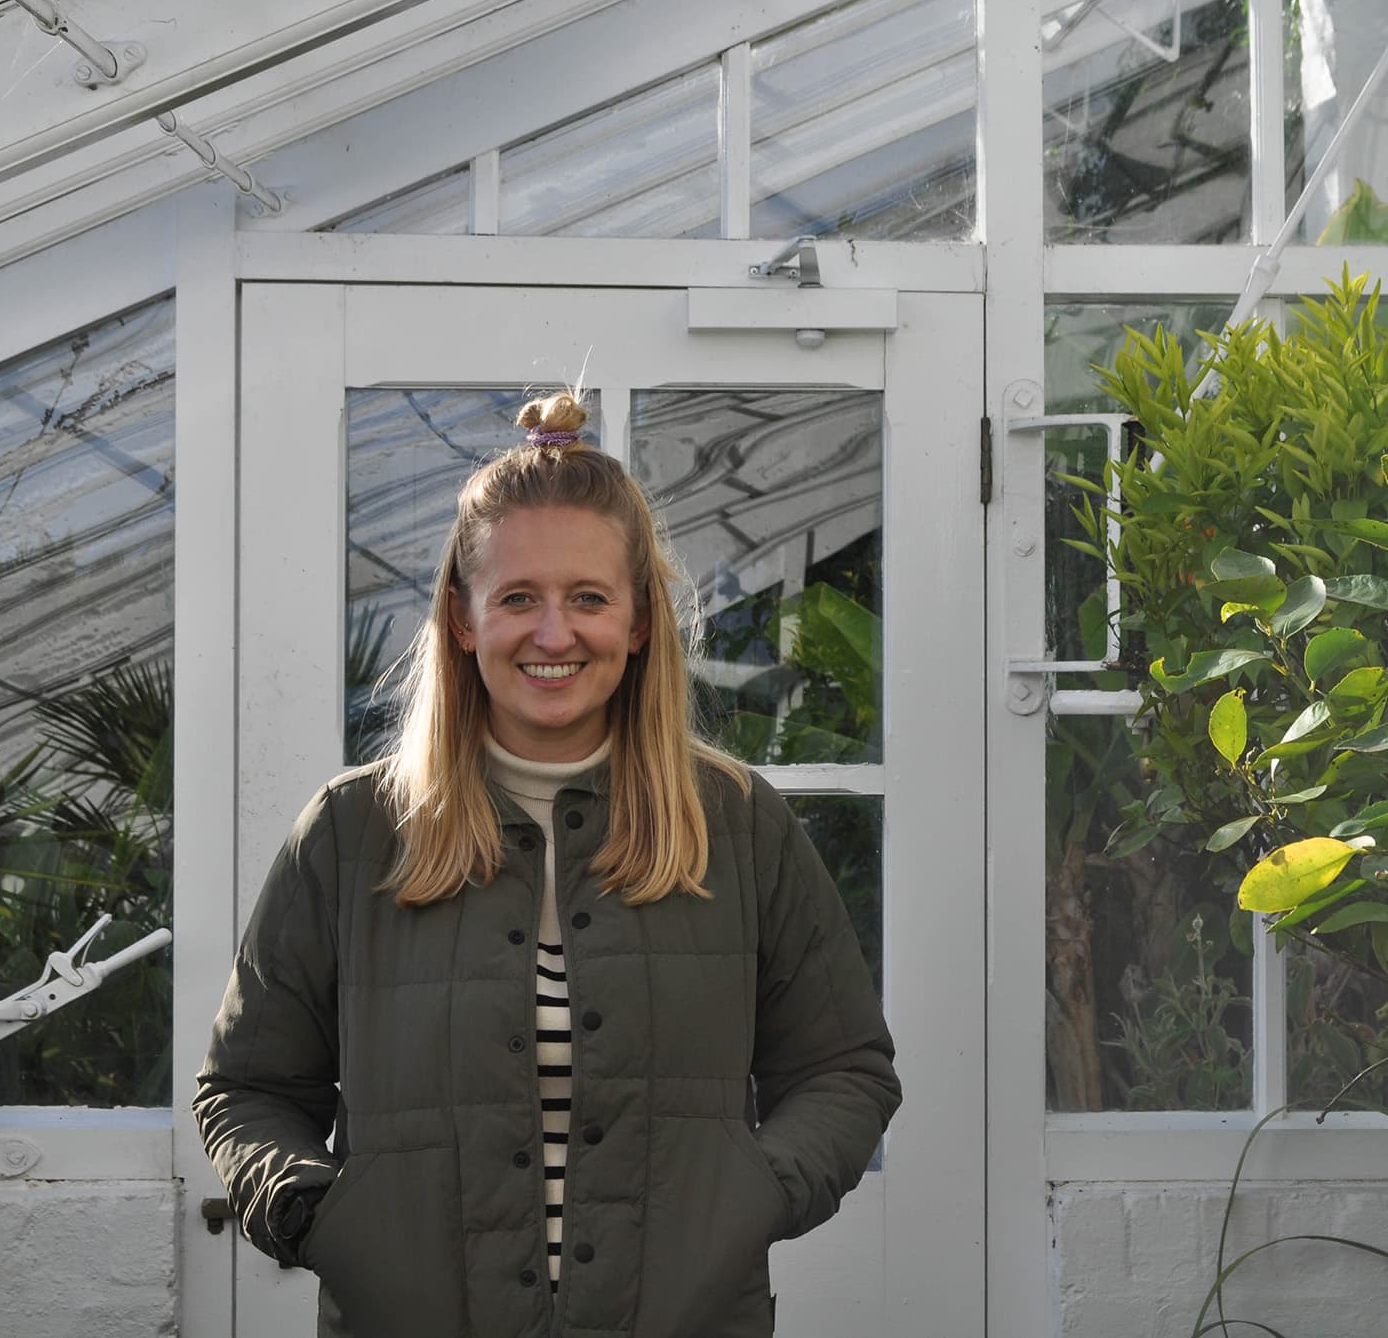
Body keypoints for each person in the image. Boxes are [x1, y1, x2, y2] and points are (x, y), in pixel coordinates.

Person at [195, 391, 899, 1338]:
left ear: (641, 619)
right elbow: (247, 1086)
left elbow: (845, 1067)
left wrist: (752, 1199)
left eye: (589, 598)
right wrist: (318, 1213)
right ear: (462, 617)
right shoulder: (352, 830)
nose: (554, 634)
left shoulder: (735, 825)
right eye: (518, 597)